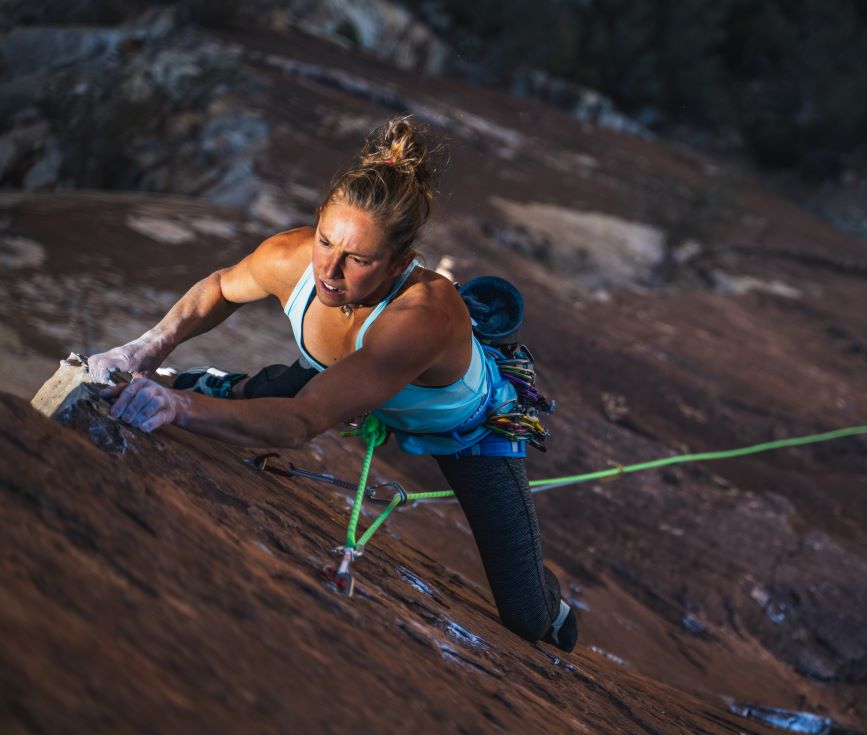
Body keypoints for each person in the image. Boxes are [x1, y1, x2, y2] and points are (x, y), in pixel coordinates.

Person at [87, 116, 577, 652]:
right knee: (267, 391)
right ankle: (216, 386)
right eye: (325, 240)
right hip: (346, 378)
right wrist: (145, 349)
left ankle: (553, 606)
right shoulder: (291, 255)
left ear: (400, 263)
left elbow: (302, 422)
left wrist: (178, 408)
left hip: (469, 431)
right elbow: (220, 288)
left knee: (526, 617)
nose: (329, 271)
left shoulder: (422, 317)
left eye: (358, 260)